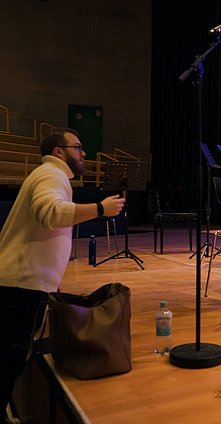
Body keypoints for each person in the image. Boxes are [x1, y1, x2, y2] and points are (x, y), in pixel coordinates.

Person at [0, 127, 126, 423]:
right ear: (59, 151)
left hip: (21, 280)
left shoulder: (48, 175)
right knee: (8, 360)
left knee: (10, 358)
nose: (84, 153)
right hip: (21, 283)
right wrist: (100, 208)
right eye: (78, 147)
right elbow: (51, 213)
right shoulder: (50, 175)